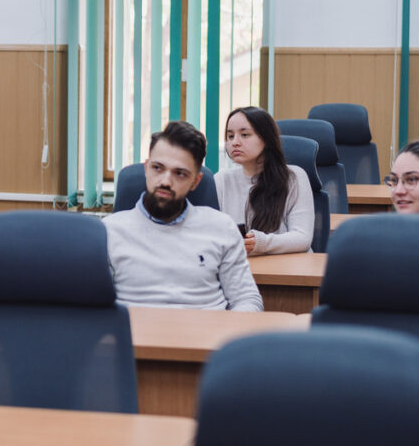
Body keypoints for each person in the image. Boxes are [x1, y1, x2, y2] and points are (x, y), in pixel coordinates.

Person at [104, 121, 263, 311]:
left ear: (195, 182)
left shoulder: (221, 228)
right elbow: (93, 306)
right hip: (133, 337)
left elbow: (247, 299)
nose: (165, 181)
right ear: (146, 168)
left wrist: (224, 335)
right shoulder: (108, 231)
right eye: (158, 168)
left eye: (179, 173)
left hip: (206, 337)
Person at [215, 106, 314, 255]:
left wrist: (261, 243)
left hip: (288, 269)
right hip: (239, 268)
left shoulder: (293, 177)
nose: (235, 142)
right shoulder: (222, 180)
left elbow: (302, 238)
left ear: (266, 139)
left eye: (245, 135)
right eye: (230, 136)